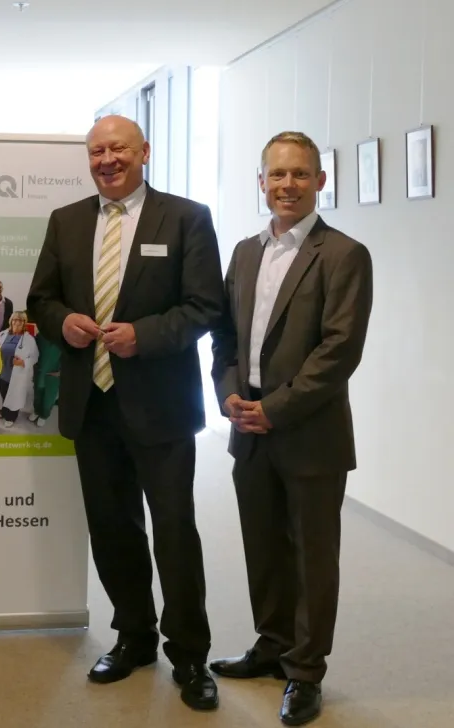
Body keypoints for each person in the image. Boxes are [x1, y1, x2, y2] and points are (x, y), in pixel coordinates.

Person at [26, 114, 225, 711]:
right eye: (96, 152)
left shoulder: (187, 217)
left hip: (161, 404)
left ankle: (190, 655)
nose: (106, 160)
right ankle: (133, 635)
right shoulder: (67, 221)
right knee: (112, 528)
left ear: (143, 152)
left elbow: (205, 306)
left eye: (117, 149)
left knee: (174, 531)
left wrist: (144, 333)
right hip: (95, 403)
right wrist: (64, 322)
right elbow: (41, 296)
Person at [209, 131, 373, 727]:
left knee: (311, 556)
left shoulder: (344, 254)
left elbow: (339, 350)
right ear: (261, 183)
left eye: (299, 174)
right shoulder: (246, 252)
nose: (287, 185)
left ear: (320, 181)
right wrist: (229, 392)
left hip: (308, 431)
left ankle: (306, 673)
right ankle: (271, 644)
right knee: (262, 546)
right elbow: (224, 335)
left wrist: (275, 407)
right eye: (276, 175)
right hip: (247, 425)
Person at [0, 311, 39, 426]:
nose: (17, 322)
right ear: (11, 321)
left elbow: (35, 357)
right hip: (1, 371)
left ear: (24, 323)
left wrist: (23, 362)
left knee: (14, 395)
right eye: (15, 319)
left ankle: (11, 417)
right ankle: (3, 411)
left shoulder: (29, 339)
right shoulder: (2, 334)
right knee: (2, 392)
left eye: (20, 320)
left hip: (16, 374)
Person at [28, 333, 60, 427]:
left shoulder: (64, 339)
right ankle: (37, 411)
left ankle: (44, 415)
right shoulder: (41, 336)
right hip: (39, 370)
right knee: (38, 393)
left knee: (49, 397)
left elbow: (69, 358)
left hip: (54, 373)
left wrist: (61, 372)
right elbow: (32, 351)